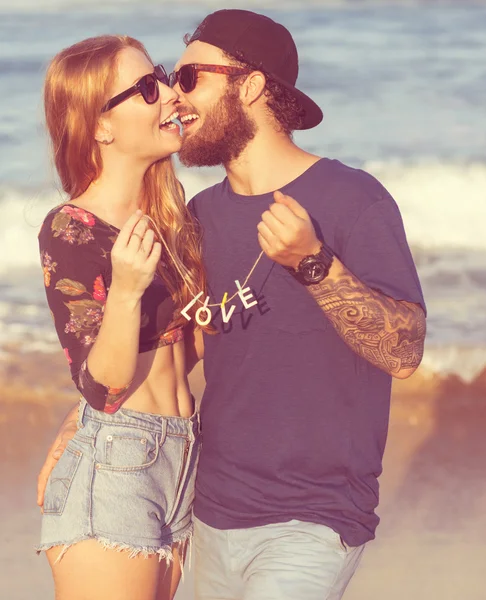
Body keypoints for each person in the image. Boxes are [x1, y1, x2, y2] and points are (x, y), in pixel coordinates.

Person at [39, 9, 427, 600]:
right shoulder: (199, 219)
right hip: (206, 505)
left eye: (188, 78)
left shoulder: (350, 199)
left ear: (249, 86)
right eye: (165, 81)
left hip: (315, 515)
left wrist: (314, 264)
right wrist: (87, 421)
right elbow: (186, 338)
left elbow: (404, 350)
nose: (173, 95)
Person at [36, 35, 206, 600]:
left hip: (180, 459)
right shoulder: (71, 229)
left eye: (160, 75)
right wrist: (127, 289)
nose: (167, 94)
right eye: (145, 88)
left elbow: (187, 350)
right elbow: (104, 385)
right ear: (100, 126)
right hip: (117, 463)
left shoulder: (172, 220)